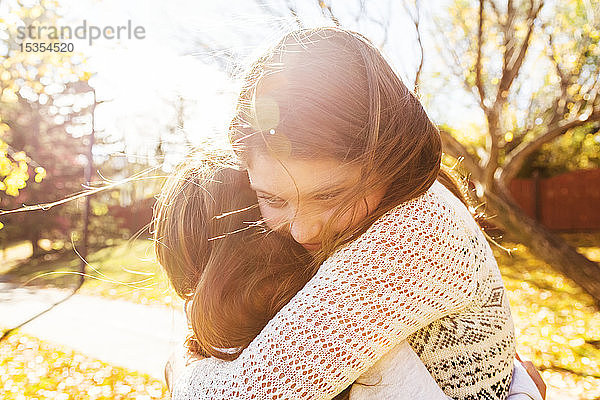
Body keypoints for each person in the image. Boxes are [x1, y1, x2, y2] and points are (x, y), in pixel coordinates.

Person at [158, 26, 546, 399]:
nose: (302, 229)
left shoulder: (414, 233)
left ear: (389, 163)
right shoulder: (390, 217)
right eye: (273, 199)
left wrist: (181, 363)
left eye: (330, 197)